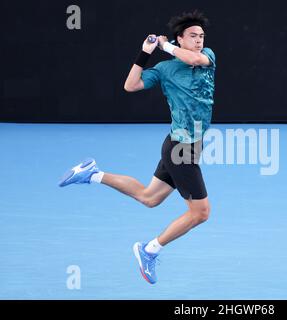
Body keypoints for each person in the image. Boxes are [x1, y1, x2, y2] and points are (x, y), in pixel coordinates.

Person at [58, 10, 216, 284]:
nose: (199, 41)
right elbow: (130, 85)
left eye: (201, 36)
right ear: (180, 38)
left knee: (149, 198)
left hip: (190, 144)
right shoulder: (165, 70)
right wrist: (145, 53)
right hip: (180, 148)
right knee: (201, 213)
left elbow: (192, 57)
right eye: (193, 36)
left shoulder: (207, 57)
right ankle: (149, 249)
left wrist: (165, 46)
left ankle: (93, 174)